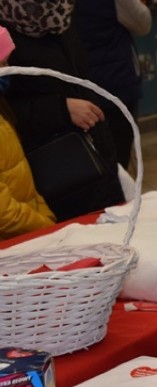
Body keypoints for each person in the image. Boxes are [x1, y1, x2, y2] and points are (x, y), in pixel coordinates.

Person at [0, 0, 126, 222]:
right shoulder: (6, 28)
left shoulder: (62, 12)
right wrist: (60, 108)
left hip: (95, 151)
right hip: (51, 169)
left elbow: (81, 80)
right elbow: (7, 113)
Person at [75, 0, 152, 169]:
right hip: (115, 85)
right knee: (117, 164)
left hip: (74, 89)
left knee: (89, 166)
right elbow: (143, 23)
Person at [0, 24, 56, 239]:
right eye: (2, 63)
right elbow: (4, 214)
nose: (7, 70)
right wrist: (47, 229)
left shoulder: (3, 113)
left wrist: (47, 218)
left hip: (27, 234)